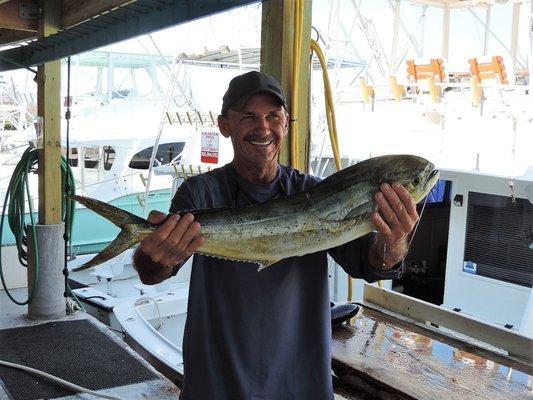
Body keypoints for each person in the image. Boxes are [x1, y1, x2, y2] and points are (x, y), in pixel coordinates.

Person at [133, 71, 418, 399]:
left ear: (285, 123)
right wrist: (152, 255)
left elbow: (371, 264)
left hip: (299, 386)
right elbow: (152, 272)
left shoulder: (314, 192)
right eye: (249, 117)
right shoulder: (200, 194)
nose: (263, 128)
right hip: (216, 386)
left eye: (273, 116)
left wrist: (393, 238)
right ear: (224, 125)